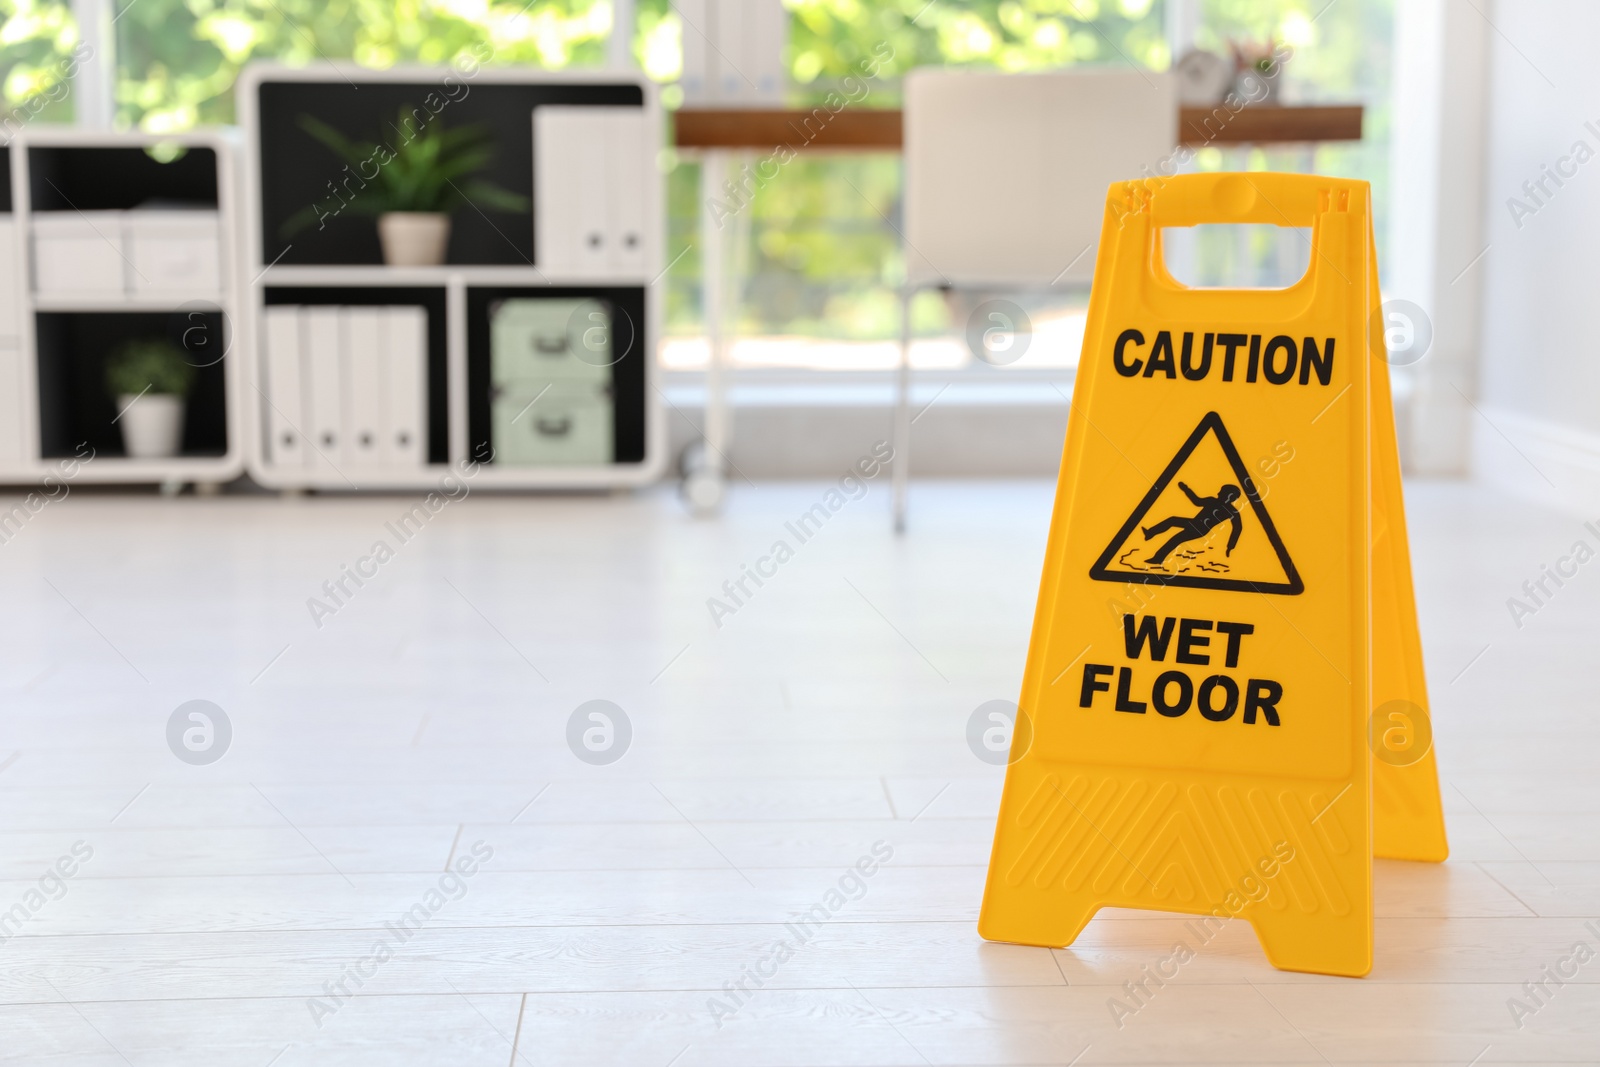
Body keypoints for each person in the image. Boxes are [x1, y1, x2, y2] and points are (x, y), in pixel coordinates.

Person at [1141, 481, 1242, 564]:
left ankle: (1158, 558)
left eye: (1222, 492)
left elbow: (1237, 529)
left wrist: (1230, 546)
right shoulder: (1212, 501)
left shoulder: (1231, 511)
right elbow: (1197, 501)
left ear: (1230, 496)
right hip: (1194, 523)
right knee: (1172, 521)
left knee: (1176, 538)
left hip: (1200, 529)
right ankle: (1150, 534)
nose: (1218, 493)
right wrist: (1186, 489)